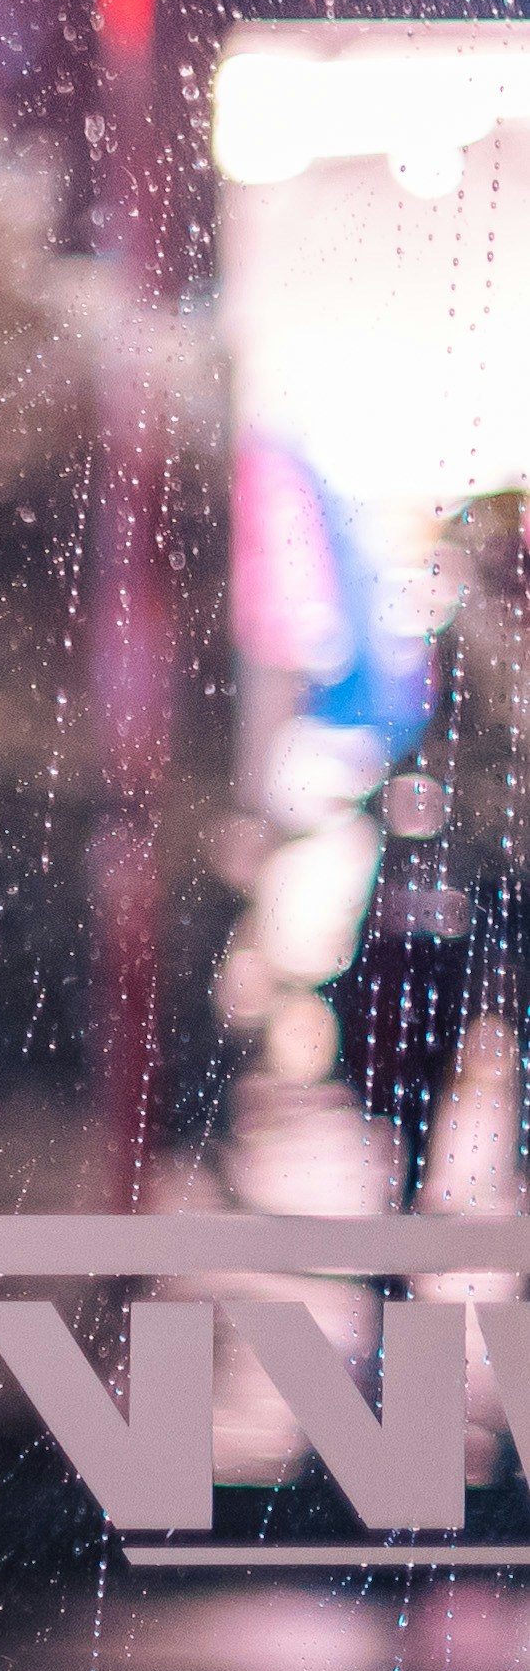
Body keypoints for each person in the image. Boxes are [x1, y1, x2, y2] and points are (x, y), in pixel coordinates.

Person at [344, 495, 530, 1215]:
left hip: (484, 872)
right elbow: (450, 744)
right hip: (480, 875)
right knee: (440, 1038)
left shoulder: (471, 634)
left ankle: (420, 1194)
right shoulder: (473, 636)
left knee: (456, 1042)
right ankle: (411, 1193)